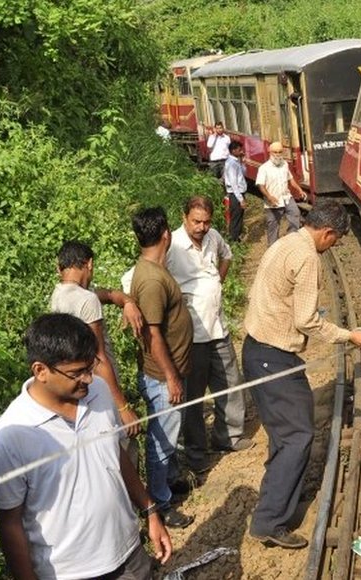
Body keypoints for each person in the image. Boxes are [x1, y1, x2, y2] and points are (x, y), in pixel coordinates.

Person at [0, 313, 172, 579]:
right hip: (70, 572)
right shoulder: (12, 435)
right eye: (77, 373)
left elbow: (115, 455)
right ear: (41, 371)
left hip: (129, 554)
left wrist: (150, 511)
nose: (88, 378)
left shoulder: (98, 391)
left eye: (91, 367)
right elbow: (10, 523)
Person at [242, 199, 361, 549]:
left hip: (260, 350)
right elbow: (306, 321)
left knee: (286, 433)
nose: (335, 248)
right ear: (328, 232)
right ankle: (270, 521)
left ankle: (279, 500)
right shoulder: (306, 257)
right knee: (298, 437)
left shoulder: (287, 241)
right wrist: (349, 336)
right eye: (337, 241)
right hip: (273, 357)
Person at [169, 196, 254, 475]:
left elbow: (227, 255)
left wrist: (218, 280)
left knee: (230, 382)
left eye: (206, 222)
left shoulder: (213, 237)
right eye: (196, 221)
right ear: (184, 218)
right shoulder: (171, 245)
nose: (201, 227)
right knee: (193, 396)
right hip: (191, 335)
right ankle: (196, 453)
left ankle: (227, 436)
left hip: (218, 327)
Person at [129, 206, 195, 527]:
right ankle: (161, 503)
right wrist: (171, 377)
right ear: (166, 234)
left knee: (168, 434)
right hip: (161, 378)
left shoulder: (152, 268)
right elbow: (153, 335)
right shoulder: (152, 280)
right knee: (160, 442)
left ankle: (169, 481)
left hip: (165, 374)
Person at [51, 240, 144, 437]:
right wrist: (123, 407)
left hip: (73, 383)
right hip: (97, 385)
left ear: (60, 268)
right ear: (90, 264)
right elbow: (99, 359)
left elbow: (108, 295)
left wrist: (127, 301)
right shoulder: (87, 300)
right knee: (118, 443)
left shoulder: (59, 293)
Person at [256, 141, 305, 245]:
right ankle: (272, 248)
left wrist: (299, 190)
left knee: (295, 213)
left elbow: (290, 179)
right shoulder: (264, 168)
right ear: (270, 152)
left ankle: (292, 238)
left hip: (286, 197)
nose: (278, 155)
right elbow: (261, 185)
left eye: (280, 152)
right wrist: (269, 197)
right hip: (273, 201)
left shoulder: (284, 164)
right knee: (273, 226)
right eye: (275, 152)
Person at [222, 140, 247, 242]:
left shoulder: (236, 162)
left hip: (239, 193)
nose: (241, 151)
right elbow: (234, 184)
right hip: (236, 195)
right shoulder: (231, 164)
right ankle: (233, 240)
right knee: (236, 218)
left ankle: (236, 238)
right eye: (239, 150)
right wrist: (241, 199)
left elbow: (244, 173)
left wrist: (242, 161)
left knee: (239, 217)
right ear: (233, 151)